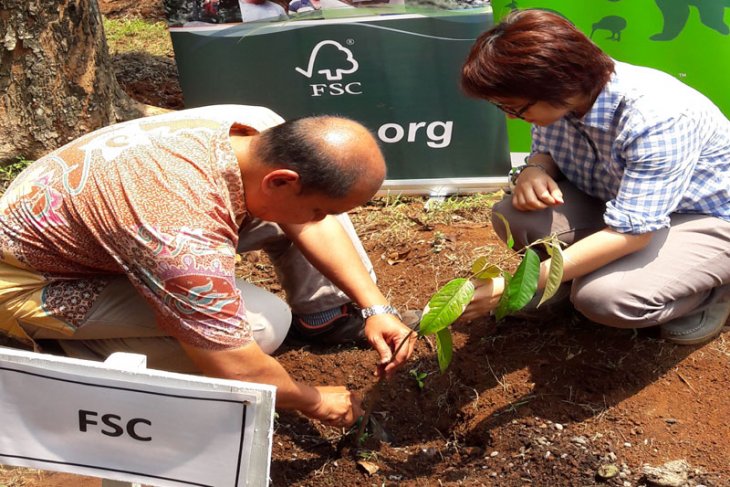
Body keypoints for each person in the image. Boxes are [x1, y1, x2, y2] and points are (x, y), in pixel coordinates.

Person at [0, 105, 417, 427]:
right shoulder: (178, 234)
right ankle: (61, 356)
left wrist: (375, 307)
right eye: (321, 211)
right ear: (280, 180)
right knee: (264, 327)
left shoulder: (253, 128)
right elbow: (239, 370)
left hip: (90, 235)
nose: (322, 221)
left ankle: (322, 315)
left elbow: (306, 224)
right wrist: (315, 400)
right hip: (36, 281)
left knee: (285, 232)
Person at [459, 9, 730, 345]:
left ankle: (712, 292)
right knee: (515, 214)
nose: (514, 118)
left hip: (704, 218)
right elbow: (546, 150)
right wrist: (536, 169)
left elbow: (631, 234)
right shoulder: (567, 97)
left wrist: (517, 285)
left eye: (516, 108)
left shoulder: (657, 116)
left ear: (558, 82)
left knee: (604, 298)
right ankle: (566, 282)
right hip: (623, 204)